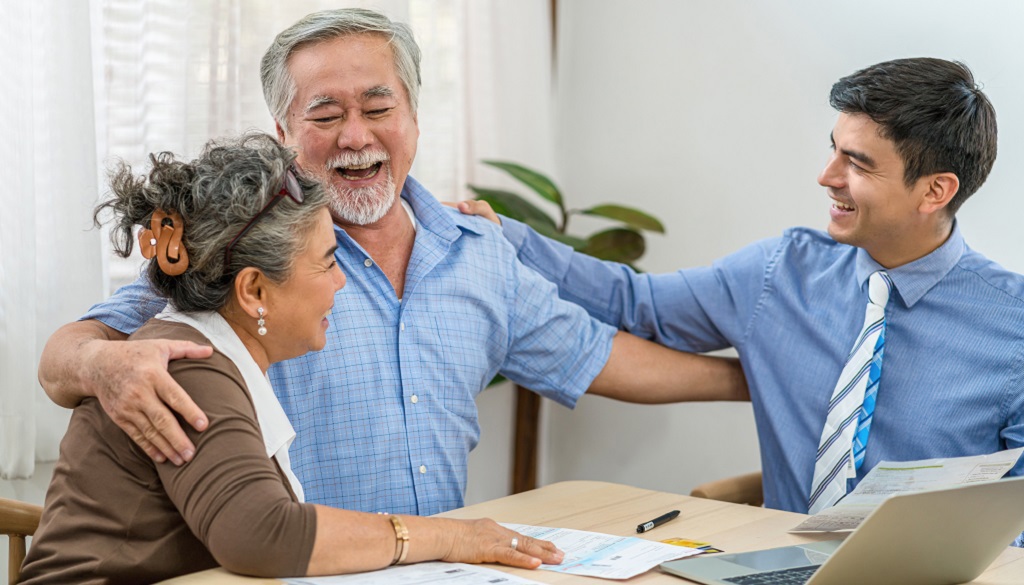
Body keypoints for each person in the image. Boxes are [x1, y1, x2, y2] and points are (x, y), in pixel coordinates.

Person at [37, 8, 747, 517]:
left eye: (378, 106)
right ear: (283, 134)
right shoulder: (237, 249)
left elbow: (599, 356)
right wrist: (105, 366)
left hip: (441, 568)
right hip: (285, 567)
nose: (355, 135)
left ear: (413, 115)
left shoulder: (479, 255)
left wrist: (761, 380)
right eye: (324, 115)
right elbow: (65, 356)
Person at [461, 57, 1024, 523]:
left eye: (856, 163)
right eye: (834, 149)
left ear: (935, 192)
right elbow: (636, 304)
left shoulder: (1013, 326)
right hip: (777, 564)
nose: (827, 176)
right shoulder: (781, 273)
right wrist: (506, 237)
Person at [19, 133, 564, 584]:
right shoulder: (189, 367)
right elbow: (261, 535)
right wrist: (450, 535)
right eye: (327, 263)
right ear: (254, 291)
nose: (342, 283)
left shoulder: (210, 353)